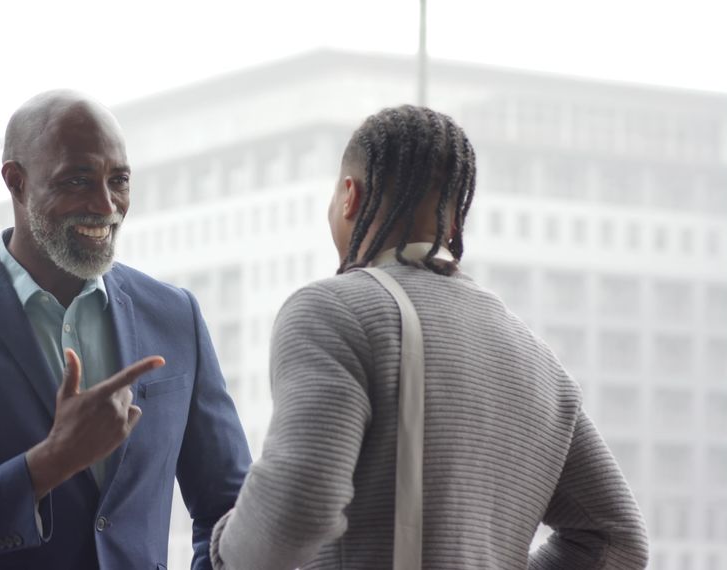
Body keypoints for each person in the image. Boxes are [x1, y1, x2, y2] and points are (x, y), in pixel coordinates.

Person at [210, 105, 649, 569]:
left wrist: (224, 548)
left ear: (348, 197)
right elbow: (618, 540)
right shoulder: (540, 363)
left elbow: (300, 505)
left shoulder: (331, 312)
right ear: (454, 221)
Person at [0, 90, 251, 570]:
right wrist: (47, 464)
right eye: (78, 180)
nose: (106, 204)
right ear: (16, 182)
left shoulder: (175, 316)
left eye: (119, 180)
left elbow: (231, 512)